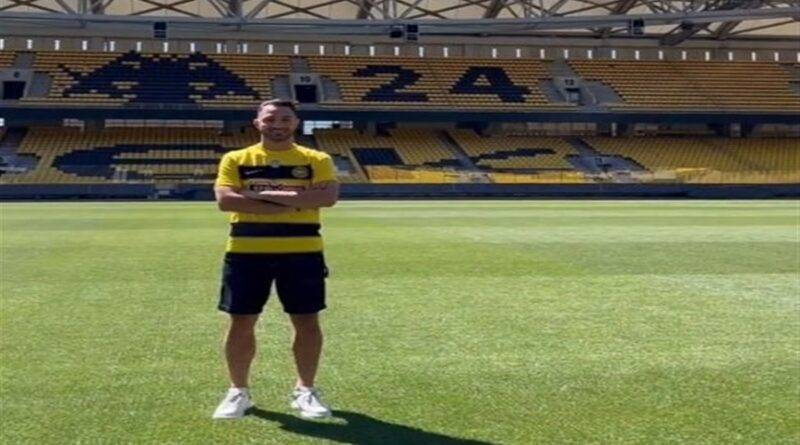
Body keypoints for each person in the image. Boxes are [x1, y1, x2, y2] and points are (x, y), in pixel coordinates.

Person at [211, 98, 339, 420]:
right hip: (245, 253)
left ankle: (305, 390)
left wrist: (257, 194)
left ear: (296, 123)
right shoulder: (236, 158)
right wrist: (297, 200)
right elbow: (226, 201)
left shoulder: (317, 159)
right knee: (241, 321)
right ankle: (238, 391)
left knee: (306, 321)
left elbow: (327, 197)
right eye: (270, 119)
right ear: (257, 123)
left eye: (285, 119)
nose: (277, 124)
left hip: (303, 253)